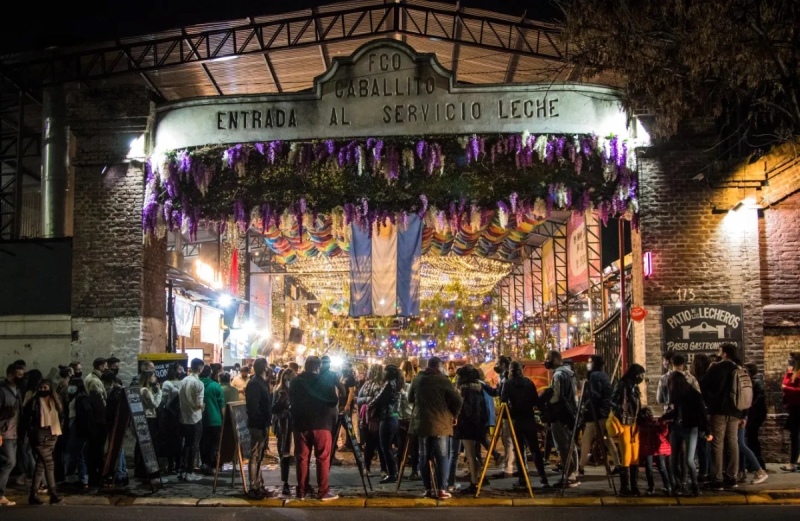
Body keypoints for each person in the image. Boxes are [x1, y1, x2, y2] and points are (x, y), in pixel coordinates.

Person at [408, 356, 463, 500]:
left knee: (424, 456)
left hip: (421, 423)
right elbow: (457, 400)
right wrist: (454, 415)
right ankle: (441, 489)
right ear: (439, 366)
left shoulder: (418, 379)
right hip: (441, 423)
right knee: (442, 456)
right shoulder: (443, 380)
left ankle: (427, 489)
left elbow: (410, 398)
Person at [290, 356, 340, 501]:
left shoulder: (295, 381)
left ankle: (301, 492)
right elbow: (333, 401)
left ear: (305, 366)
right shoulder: (324, 382)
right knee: (323, 458)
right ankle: (323, 492)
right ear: (318, 367)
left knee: (301, 459)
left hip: (300, 425)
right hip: (321, 425)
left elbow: (291, 399)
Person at [501, 361, 549, 490]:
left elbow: (503, 400)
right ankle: (543, 477)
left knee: (519, 450)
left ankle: (522, 478)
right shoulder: (528, 383)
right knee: (535, 449)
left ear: (510, 371)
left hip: (516, 420)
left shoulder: (508, 383)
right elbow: (535, 400)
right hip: (529, 418)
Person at [701, 343, 743, 490]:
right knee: (733, 442)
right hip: (735, 411)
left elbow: (705, 384)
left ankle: (717, 479)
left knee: (717, 444)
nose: (718, 353)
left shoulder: (717, 368)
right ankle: (732, 477)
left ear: (725, 354)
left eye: (720, 351)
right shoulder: (739, 369)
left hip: (719, 410)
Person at [666, 367, 710, 497]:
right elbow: (675, 411)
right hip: (679, 427)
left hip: (690, 428)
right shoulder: (678, 394)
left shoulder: (693, 395)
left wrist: (707, 430)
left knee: (689, 459)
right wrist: (666, 418)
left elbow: (702, 413)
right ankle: (679, 484)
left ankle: (694, 485)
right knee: (674, 459)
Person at [22, 379, 63, 505]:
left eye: (45, 387)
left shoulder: (55, 401)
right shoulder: (34, 402)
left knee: (40, 464)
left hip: (53, 432)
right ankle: (53, 493)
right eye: (40, 388)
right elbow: (27, 419)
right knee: (49, 463)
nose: (42, 390)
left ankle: (33, 494)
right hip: (40, 434)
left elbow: (61, 414)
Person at [579, 355, 621, 475]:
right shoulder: (604, 375)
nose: (588, 364)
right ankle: (618, 464)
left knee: (587, 439)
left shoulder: (594, 376)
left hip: (595, 414)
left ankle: (581, 466)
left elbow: (595, 395)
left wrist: (585, 405)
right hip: (605, 412)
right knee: (607, 439)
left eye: (589, 362)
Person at [544, 350, 580, 488]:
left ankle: (569, 475)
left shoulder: (558, 375)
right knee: (571, 444)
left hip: (559, 415)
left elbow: (556, 397)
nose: (545, 362)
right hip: (570, 414)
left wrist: (546, 402)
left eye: (547, 359)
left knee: (563, 446)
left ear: (555, 360)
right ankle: (574, 474)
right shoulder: (570, 374)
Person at [611, 363, 645, 496]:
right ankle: (624, 487)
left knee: (635, 456)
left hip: (634, 423)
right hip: (625, 423)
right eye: (640, 375)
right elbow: (613, 401)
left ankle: (634, 487)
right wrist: (621, 410)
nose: (641, 378)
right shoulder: (622, 385)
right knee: (626, 455)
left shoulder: (633, 387)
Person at [368, 364, 402, 484]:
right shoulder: (396, 384)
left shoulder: (389, 384)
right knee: (387, 447)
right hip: (393, 417)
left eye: (385, 371)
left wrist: (369, 405)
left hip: (387, 417)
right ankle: (393, 472)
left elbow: (379, 398)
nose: (383, 373)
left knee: (385, 447)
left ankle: (392, 473)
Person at [484, 355, 516, 478]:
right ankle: (511, 466)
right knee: (507, 439)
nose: (495, 366)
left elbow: (501, 394)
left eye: (497, 363)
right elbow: (496, 392)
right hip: (506, 412)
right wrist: (485, 386)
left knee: (508, 440)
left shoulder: (507, 377)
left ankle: (508, 468)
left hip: (509, 412)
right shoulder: (502, 377)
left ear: (503, 365)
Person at [245, 358, 272, 499]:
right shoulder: (255, 384)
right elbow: (253, 407)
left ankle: (259, 484)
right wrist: (261, 423)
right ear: (263, 367)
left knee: (259, 456)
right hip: (257, 425)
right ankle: (253, 486)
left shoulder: (261, 382)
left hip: (262, 424)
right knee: (255, 455)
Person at [0, 363, 25, 506]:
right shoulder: (2, 391)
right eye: (18, 375)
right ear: (10, 375)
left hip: (14, 432)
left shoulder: (17, 391)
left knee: (8, 462)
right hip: (5, 433)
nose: (21, 378)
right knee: (9, 462)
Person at [178, 358, 205, 482]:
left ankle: (183, 471)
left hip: (183, 418)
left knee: (186, 445)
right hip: (195, 418)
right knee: (194, 445)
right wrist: (202, 406)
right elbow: (199, 403)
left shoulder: (183, 381)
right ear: (200, 369)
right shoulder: (198, 384)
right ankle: (190, 471)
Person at [637, 407, 673, 496]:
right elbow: (664, 433)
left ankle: (651, 487)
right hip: (658, 448)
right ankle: (667, 486)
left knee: (649, 468)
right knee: (661, 467)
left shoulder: (642, 426)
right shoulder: (655, 424)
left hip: (649, 448)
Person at [357, 364, 386, 477]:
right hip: (369, 417)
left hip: (375, 417)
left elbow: (359, 399)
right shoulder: (367, 384)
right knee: (373, 444)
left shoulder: (382, 385)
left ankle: (371, 468)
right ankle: (378, 469)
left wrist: (365, 400)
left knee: (376, 444)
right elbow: (358, 399)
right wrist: (367, 399)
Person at [63, 376, 91, 492]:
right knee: (77, 454)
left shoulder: (82, 398)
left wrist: (82, 430)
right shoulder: (75, 397)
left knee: (78, 454)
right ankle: (80, 478)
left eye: (72, 385)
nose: (70, 387)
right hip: (74, 427)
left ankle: (82, 479)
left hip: (78, 429)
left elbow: (85, 414)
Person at [83, 357, 107, 487]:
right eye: (105, 366)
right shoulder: (94, 381)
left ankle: (96, 477)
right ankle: (96, 478)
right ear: (101, 366)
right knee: (96, 451)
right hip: (98, 421)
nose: (106, 368)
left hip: (96, 420)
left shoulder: (92, 379)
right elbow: (99, 402)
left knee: (95, 450)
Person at [272, 368, 296, 496]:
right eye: (286, 379)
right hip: (283, 425)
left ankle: (302, 482)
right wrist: (281, 402)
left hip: (295, 424)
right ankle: (285, 482)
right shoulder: (278, 390)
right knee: (284, 453)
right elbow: (273, 410)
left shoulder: (296, 391)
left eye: (290, 379)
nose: (288, 382)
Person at [135, 370, 162, 480]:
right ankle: (149, 473)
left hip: (146, 418)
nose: (155, 378)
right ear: (148, 378)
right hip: (149, 418)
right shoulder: (145, 390)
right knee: (150, 446)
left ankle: (143, 471)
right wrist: (159, 392)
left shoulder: (143, 389)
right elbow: (154, 404)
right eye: (153, 376)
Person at [199, 366, 225, 476]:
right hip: (215, 420)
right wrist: (225, 420)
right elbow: (221, 405)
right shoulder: (215, 386)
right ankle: (210, 464)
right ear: (210, 374)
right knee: (214, 444)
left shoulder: (197, 384)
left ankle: (204, 463)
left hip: (199, 419)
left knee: (203, 442)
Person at [691, 353, 712, 482]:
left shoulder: (699, 380)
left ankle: (704, 472)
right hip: (708, 413)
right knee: (704, 445)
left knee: (701, 444)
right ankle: (706, 471)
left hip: (700, 415)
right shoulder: (709, 378)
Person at [160, 363, 183, 475]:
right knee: (170, 440)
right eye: (179, 369)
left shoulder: (183, 382)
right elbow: (163, 399)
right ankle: (170, 465)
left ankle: (179, 464)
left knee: (179, 440)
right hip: (170, 415)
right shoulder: (167, 383)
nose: (181, 371)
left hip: (181, 414)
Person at [744, 362, 766, 470]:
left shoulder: (756, 381)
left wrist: (751, 406)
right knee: (752, 437)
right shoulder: (755, 380)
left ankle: (757, 463)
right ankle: (755, 462)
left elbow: (761, 395)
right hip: (756, 413)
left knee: (752, 437)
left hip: (756, 414)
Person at [781, 352, 800, 472]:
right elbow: (784, 382)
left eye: (791, 359)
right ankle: (794, 461)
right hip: (793, 407)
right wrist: (788, 373)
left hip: (798, 407)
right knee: (794, 435)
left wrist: (786, 388)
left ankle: (793, 462)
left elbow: (798, 390)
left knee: (795, 435)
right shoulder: (792, 373)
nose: (789, 360)